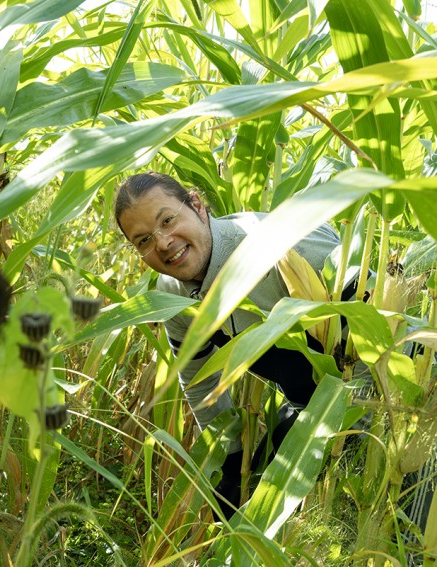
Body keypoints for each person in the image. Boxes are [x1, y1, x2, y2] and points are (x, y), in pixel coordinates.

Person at [114, 171, 356, 518]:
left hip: (371, 395)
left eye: (167, 220)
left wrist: (353, 439)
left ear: (196, 205)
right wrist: (227, 460)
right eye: (144, 240)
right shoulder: (171, 295)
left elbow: (383, 318)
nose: (164, 243)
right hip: (306, 401)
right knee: (244, 511)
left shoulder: (285, 247)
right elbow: (198, 379)